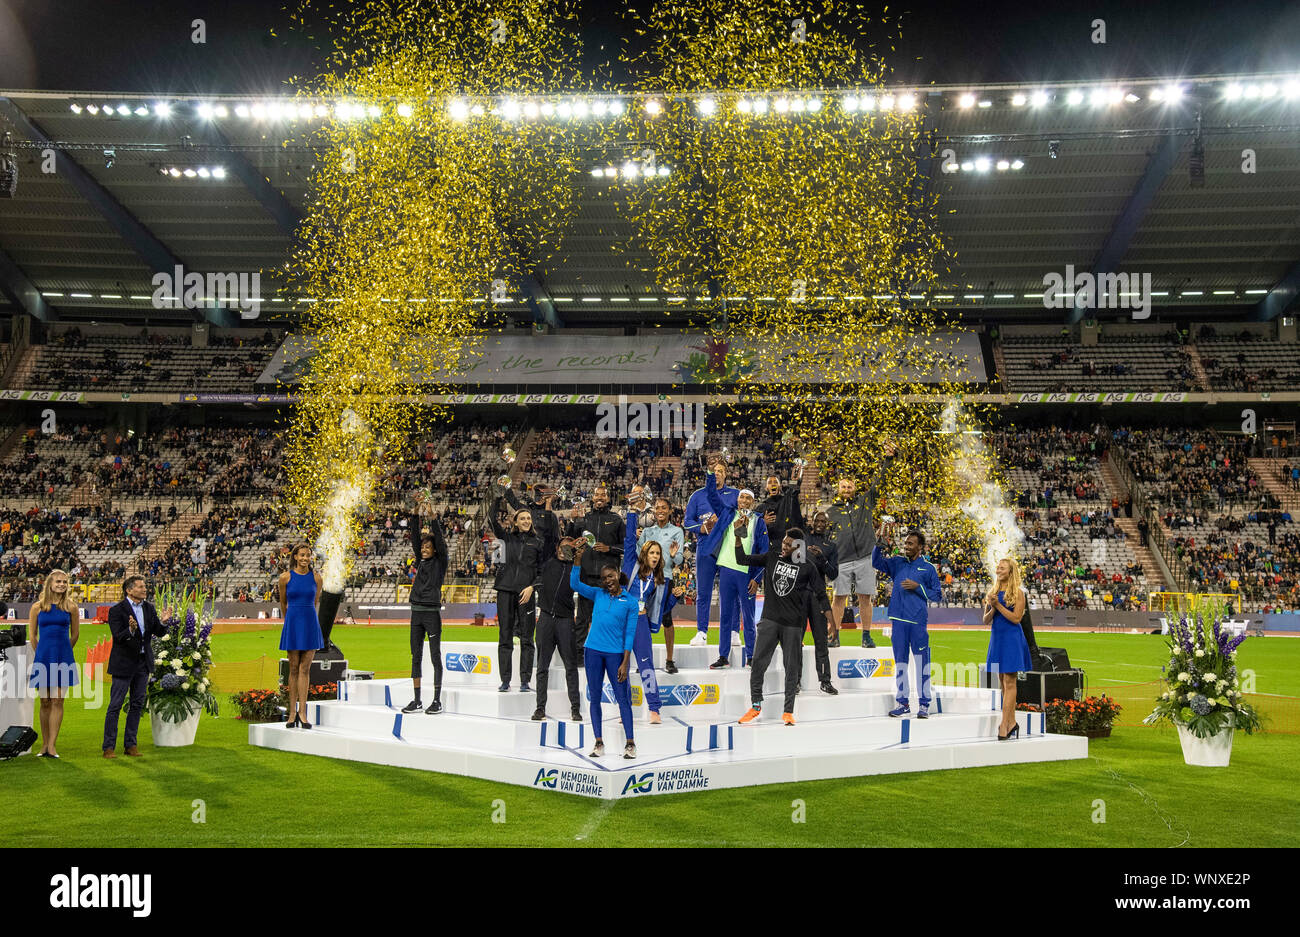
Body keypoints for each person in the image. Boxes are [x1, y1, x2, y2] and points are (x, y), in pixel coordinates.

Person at [731, 523, 822, 725]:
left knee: (792, 670)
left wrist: (828, 620)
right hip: (769, 621)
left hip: (793, 625)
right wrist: (738, 538)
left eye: (789, 544)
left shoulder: (807, 566)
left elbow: (820, 594)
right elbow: (742, 559)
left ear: (798, 547)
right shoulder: (771, 557)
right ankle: (755, 706)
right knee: (757, 665)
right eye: (784, 542)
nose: (784, 546)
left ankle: (788, 711)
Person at [570, 543, 638, 759]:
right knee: (595, 697)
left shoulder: (631, 602)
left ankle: (630, 744)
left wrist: (625, 661)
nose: (607, 580)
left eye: (611, 576)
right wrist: (577, 560)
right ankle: (598, 742)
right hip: (593, 652)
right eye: (604, 578)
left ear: (618, 574)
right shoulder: (598, 593)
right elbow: (574, 583)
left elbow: (630, 634)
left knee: (623, 699)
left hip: (616, 655)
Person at [826, 442, 894, 647]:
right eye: (843, 487)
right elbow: (827, 539)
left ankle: (866, 636)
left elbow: (880, 483)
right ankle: (834, 636)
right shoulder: (831, 511)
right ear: (838, 489)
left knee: (866, 597)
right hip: (842, 560)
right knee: (839, 598)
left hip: (865, 557)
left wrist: (888, 459)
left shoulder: (865, 501)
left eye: (850, 486)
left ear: (855, 488)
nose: (846, 489)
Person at [623, 505, 686, 725]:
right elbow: (629, 541)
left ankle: (654, 708)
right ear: (644, 554)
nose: (655, 557)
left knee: (646, 666)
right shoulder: (630, 565)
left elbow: (660, 609)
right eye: (652, 553)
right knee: (620, 667)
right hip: (621, 621)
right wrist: (632, 513)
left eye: (658, 554)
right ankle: (624, 708)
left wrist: (675, 596)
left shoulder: (658, 582)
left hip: (639, 621)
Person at [871, 527, 941, 718]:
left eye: (910, 544)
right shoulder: (897, 563)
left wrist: (918, 587)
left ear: (920, 547)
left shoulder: (928, 568)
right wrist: (879, 543)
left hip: (917, 622)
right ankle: (903, 703)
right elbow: (876, 562)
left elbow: (937, 595)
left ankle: (924, 704)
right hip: (898, 621)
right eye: (906, 543)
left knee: (922, 662)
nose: (906, 546)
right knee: (901, 663)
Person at [705, 468, 768, 668]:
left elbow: (764, 552)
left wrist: (756, 579)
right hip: (726, 571)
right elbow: (712, 496)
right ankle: (724, 656)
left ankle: (751, 655)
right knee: (725, 616)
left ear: (753, 502)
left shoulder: (758, 522)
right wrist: (709, 475)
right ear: (737, 500)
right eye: (741, 497)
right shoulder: (727, 513)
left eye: (748, 498)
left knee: (748, 617)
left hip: (745, 573)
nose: (744, 501)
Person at [103, 574, 166, 757]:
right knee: (115, 705)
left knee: (137, 704)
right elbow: (117, 636)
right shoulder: (116, 611)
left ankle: (131, 744)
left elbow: (158, 632)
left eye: (144, 586)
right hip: (123, 663)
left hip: (142, 664)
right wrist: (130, 630)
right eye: (139, 586)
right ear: (129, 590)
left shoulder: (149, 608)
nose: (144, 589)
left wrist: (163, 621)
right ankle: (108, 747)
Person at [488, 496, 544, 692]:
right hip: (505, 591)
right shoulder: (505, 538)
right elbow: (491, 518)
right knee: (505, 637)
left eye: (528, 518)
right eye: (522, 518)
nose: (527, 521)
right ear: (515, 522)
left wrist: (532, 587)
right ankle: (505, 680)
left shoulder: (538, 543)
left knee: (527, 638)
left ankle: (525, 681)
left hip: (525, 594)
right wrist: (498, 498)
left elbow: (542, 571)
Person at [684, 457, 739, 647]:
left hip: (729, 549)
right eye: (714, 471)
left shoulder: (736, 494)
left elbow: (744, 519)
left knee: (731, 593)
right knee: (703, 593)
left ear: (726, 474)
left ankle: (733, 632)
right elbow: (687, 522)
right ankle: (701, 632)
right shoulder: (697, 496)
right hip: (706, 548)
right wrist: (704, 527)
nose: (717, 474)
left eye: (721, 471)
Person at [564, 485, 624, 655]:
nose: (599, 498)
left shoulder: (616, 519)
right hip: (587, 576)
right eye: (597, 495)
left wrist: (609, 548)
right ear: (592, 498)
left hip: (609, 579)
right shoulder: (584, 519)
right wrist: (571, 521)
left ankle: (611, 650)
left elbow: (627, 547)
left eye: (603, 495)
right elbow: (568, 542)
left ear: (608, 498)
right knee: (583, 617)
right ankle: (579, 653)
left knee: (609, 617)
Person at [631, 489, 686, 673]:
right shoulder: (647, 531)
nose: (660, 510)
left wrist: (672, 555)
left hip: (665, 578)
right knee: (643, 619)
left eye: (664, 508)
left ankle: (669, 660)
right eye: (657, 508)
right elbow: (638, 554)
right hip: (645, 579)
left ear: (670, 511)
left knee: (666, 619)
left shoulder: (677, 531)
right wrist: (635, 535)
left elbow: (679, 560)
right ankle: (644, 660)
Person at [402, 500, 448, 715]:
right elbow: (413, 537)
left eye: (428, 547)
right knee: (416, 656)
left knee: (435, 657)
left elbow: (439, 540)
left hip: (431, 614)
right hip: (416, 613)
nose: (424, 549)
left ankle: (437, 700)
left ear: (435, 550)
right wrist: (414, 514)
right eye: (423, 547)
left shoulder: (441, 561)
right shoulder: (420, 559)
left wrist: (432, 518)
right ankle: (417, 700)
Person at [28, 569, 79, 758]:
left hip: (63, 657)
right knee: (45, 701)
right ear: (50, 584)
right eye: (58, 581)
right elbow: (32, 635)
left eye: (64, 582)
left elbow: (75, 635)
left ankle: (52, 746)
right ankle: (43, 744)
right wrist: (40, 652)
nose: (61, 585)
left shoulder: (71, 607)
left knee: (58, 700)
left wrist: (64, 650)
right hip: (43, 657)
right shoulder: (37, 607)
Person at [532, 536, 583, 722]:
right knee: (542, 667)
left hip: (565, 621)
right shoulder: (547, 563)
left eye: (569, 548)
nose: (565, 550)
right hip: (545, 618)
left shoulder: (575, 569)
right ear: (556, 547)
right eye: (562, 546)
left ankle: (575, 709)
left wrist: (577, 558)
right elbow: (547, 534)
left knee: (571, 666)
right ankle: (540, 708)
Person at [984, 557, 1032, 740]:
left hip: (1012, 639)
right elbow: (985, 620)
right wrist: (992, 606)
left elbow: (1016, 618)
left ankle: (1004, 724)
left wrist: (997, 605)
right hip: (997, 639)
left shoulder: (1019, 593)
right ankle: (1011, 723)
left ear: (1010, 572)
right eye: (997, 567)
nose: (998, 570)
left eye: (1002, 568)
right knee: (1002, 681)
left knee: (1010, 682)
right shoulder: (993, 592)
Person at [278, 543, 324, 729]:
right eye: (302, 555)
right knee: (294, 668)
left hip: (310, 622)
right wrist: (290, 620)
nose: (305, 558)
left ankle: (303, 714)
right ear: (295, 557)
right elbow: (283, 603)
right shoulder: (285, 577)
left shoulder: (316, 578)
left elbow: (315, 601)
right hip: (293, 623)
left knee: (305, 669)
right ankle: (291, 714)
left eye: (308, 555)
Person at [802, 510, 839, 694]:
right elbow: (793, 560)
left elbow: (833, 574)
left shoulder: (831, 547)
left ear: (827, 524)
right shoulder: (803, 538)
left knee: (821, 640)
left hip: (818, 596)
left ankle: (825, 680)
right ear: (812, 521)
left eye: (824, 521)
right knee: (795, 640)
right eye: (818, 520)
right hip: (800, 594)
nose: (820, 523)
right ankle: (794, 681)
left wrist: (822, 558)